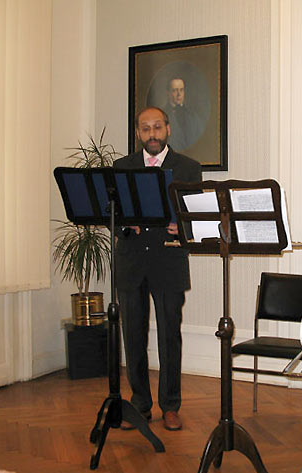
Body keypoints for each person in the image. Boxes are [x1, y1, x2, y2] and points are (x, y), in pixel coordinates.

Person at [113, 107, 202, 431]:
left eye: (157, 127)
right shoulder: (122, 167)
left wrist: (186, 230)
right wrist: (126, 226)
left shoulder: (189, 167)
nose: (152, 134)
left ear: (168, 129)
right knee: (133, 337)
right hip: (132, 262)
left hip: (169, 261)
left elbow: (195, 215)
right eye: (145, 129)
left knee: (169, 336)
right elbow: (116, 217)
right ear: (138, 132)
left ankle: (170, 406)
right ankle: (139, 404)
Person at [163, 77, 203, 151]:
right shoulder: (161, 115)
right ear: (168, 93)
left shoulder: (193, 116)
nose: (179, 94)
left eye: (181, 90)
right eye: (175, 90)